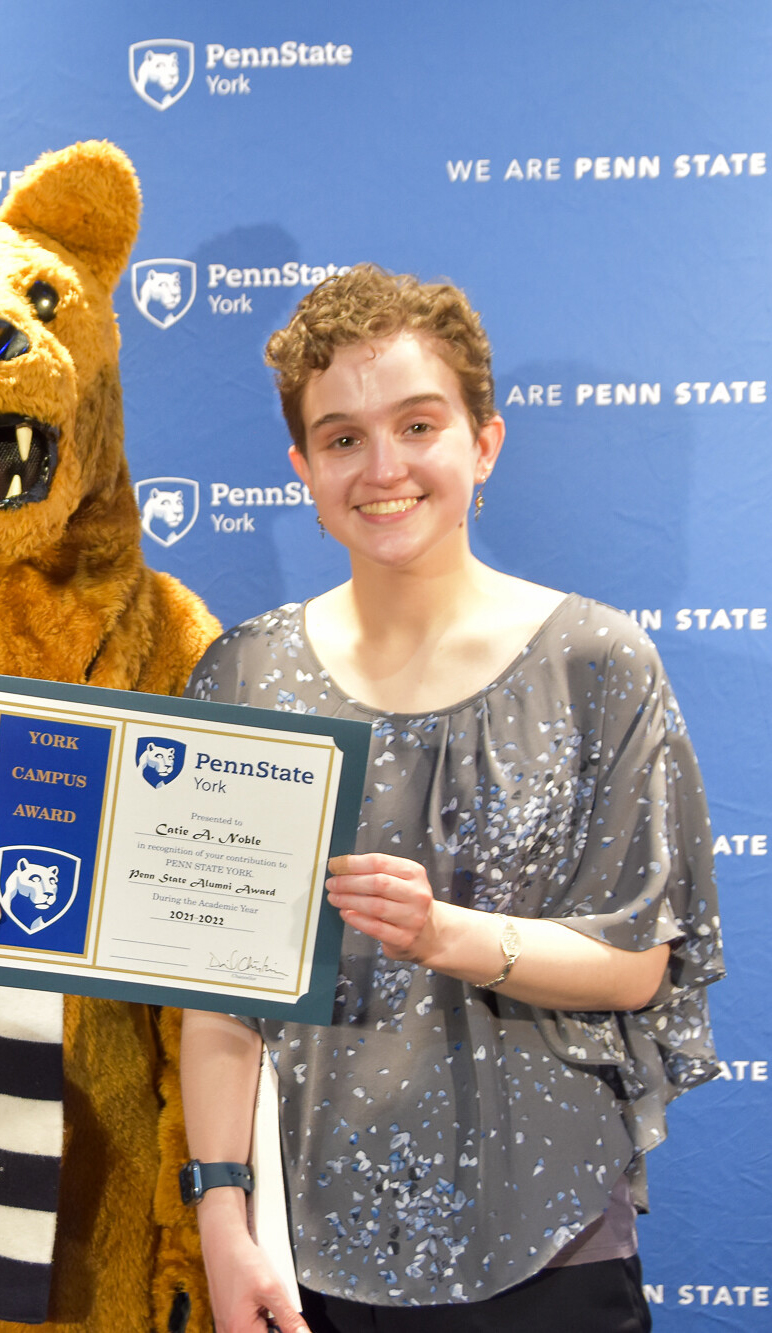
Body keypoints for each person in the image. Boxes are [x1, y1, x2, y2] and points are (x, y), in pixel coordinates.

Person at [179, 266, 724, 1333]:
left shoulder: (597, 662)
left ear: (483, 441)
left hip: (551, 1242)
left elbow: (635, 963)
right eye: (341, 439)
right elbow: (222, 995)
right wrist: (222, 1217)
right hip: (313, 1250)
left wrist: (447, 932)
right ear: (301, 468)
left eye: (417, 425)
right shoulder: (243, 677)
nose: (382, 468)